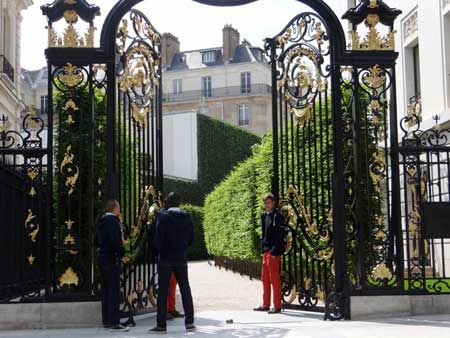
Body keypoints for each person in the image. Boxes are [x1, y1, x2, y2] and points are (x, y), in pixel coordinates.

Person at [149, 192, 195, 334]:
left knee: (163, 290)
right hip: (181, 258)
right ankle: (189, 323)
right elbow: (191, 239)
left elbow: (157, 240)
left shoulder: (163, 217)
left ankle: (161, 325)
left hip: (166, 258)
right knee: (185, 288)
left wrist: (160, 251)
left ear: (167, 202)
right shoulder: (187, 216)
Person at [94, 199, 130, 332]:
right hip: (111, 258)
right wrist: (122, 252)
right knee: (114, 290)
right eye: (119, 207)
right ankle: (114, 322)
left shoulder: (101, 220)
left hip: (102, 257)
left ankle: (106, 320)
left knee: (106, 290)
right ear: (115, 208)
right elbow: (116, 242)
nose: (119, 210)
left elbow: (96, 240)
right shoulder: (114, 222)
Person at [149, 204, 184, 321]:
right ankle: (165, 310)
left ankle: (171, 308)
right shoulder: (162, 217)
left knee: (173, 283)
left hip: (172, 256)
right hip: (165, 256)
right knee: (167, 284)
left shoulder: (166, 216)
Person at [253, 193, 286, 314]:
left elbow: (280, 235)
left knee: (274, 279)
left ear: (273, 203)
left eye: (269, 202)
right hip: (266, 251)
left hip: (274, 252)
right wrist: (263, 250)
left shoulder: (278, 216)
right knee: (264, 278)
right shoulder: (264, 216)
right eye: (265, 203)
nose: (267, 205)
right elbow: (264, 234)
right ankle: (265, 304)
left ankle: (277, 306)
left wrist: (274, 251)